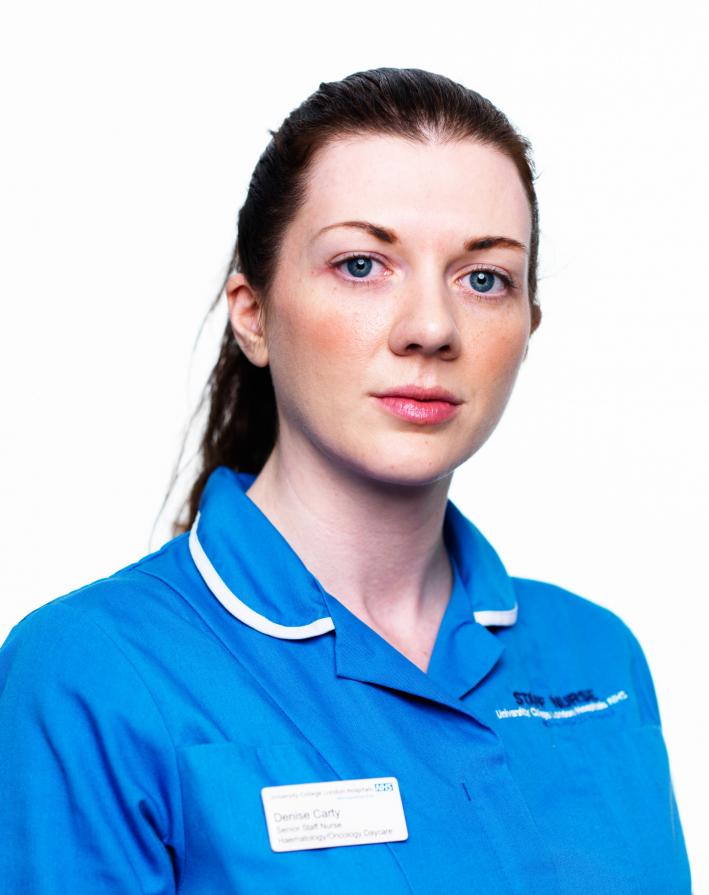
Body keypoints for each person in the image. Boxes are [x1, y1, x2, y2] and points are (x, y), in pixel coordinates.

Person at [0, 67, 691, 894]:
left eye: (483, 278)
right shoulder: (93, 669)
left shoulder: (599, 656)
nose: (430, 328)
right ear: (253, 313)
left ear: (527, 324)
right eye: (362, 264)